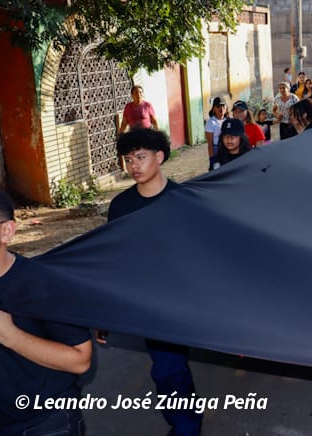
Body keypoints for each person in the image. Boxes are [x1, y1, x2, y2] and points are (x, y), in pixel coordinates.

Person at [107, 129, 203, 435]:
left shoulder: (183, 200)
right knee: (167, 370)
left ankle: (186, 427)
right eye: (128, 158)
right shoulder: (120, 206)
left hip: (180, 301)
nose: (133, 164)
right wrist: (101, 310)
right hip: (145, 304)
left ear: (159, 157)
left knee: (169, 369)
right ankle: (185, 423)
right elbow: (111, 259)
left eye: (141, 156)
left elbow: (203, 256)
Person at [0, 189, 92, 436]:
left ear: (6, 231)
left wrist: (9, 335)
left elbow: (80, 360)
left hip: (46, 423)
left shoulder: (45, 283)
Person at [204, 96, 227, 171]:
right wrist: (212, 159)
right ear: (214, 109)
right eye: (218, 106)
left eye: (223, 106)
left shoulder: (229, 121)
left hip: (228, 148)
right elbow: (210, 143)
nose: (221, 109)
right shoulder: (210, 122)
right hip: (216, 149)